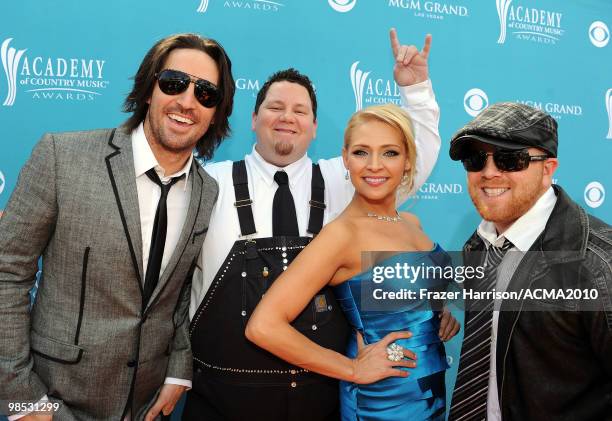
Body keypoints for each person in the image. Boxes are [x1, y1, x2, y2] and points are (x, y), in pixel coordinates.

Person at [184, 29, 443, 420]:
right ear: (253, 119)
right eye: (275, 107)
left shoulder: (346, 179)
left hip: (319, 394)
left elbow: (410, 156)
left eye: (300, 110)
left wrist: (416, 91)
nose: (287, 117)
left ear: (315, 127)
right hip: (223, 397)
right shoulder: (208, 183)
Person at [0, 33, 235, 421]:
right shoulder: (63, 157)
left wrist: (178, 367)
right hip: (51, 401)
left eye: (206, 93)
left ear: (215, 113)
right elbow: (7, 274)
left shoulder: (207, 191)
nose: (187, 102)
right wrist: (22, 401)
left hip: (143, 407)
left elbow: (173, 298)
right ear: (148, 89)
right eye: (174, 83)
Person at [246, 103, 460, 420]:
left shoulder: (411, 223)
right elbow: (263, 325)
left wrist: (439, 313)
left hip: (430, 393)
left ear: (407, 161)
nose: (374, 165)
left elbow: (413, 293)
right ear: (345, 159)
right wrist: (351, 368)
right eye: (361, 152)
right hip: (382, 403)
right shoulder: (341, 235)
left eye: (389, 153)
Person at [447, 102, 612, 420]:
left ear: (548, 169)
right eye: (476, 159)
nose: (489, 172)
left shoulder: (597, 264)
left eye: (511, 159)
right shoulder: (479, 245)